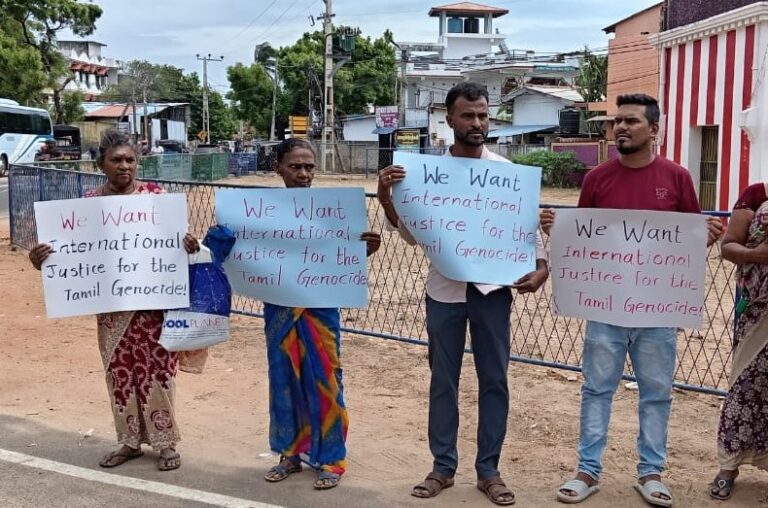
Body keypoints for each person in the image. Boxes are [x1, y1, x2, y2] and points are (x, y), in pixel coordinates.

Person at [540, 94, 722, 506]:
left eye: (631, 121)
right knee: (596, 389)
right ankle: (587, 470)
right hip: (605, 309)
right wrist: (559, 233)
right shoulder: (596, 179)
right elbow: (583, 239)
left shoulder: (677, 179)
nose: (620, 128)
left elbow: (688, 244)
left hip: (657, 310)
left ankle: (651, 472)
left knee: (656, 391)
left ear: (654, 130)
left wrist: (706, 239)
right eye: (616, 121)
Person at [377, 82, 549, 506]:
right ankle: (443, 467)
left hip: (493, 293)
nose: (477, 123)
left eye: (483, 115)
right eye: (468, 115)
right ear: (449, 119)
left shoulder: (508, 175)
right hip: (444, 292)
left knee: (494, 380)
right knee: (443, 381)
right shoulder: (423, 176)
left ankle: (489, 470)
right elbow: (411, 236)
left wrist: (542, 270)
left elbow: (529, 239)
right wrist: (385, 196)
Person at [28, 129, 202, 471]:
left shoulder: (156, 197)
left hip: (153, 309)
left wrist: (186, 245)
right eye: (116, 160)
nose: (124, 166)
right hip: (112, 313)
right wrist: (42, 259)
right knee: (120, 374)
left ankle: (166, 442)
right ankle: (129, 441)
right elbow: (74, 256)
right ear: (101, 164)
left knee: (158, 375)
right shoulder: (87, 206)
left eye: (130, 160)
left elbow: (174, 243)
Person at [261, 138, 381, 490]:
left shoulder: (332, 211)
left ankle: (331, 457)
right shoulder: (260, 210)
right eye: (295, 166)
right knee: (284, 382)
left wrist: (365, 251)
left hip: (321, 309)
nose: (303, 173)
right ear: (279, 168)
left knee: (326, 381)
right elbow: (242, 251)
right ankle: (290, 454)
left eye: (309, 167)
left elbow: (342, 258)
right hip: (280, 309)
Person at [709, 182, 768, 501]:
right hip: (759, 313)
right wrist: (755, 255)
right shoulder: (758, 194)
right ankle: (728, 467)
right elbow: (728, 247)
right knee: (745, 386)